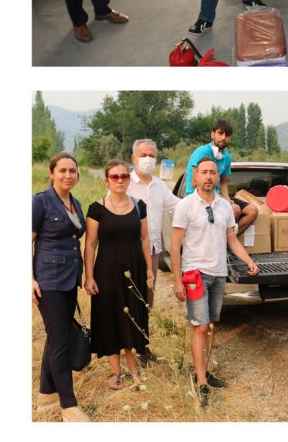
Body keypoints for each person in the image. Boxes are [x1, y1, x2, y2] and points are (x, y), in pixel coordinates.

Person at [171, 158, 260, 407]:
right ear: (196, 176)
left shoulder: (225, 207)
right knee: (200, 327)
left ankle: (204, 371)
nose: (209, 176)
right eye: (204, 172)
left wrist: (248, 261)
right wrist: (177, 280)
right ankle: (201, 383)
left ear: (217, 176)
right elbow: (175, 246)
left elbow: (232, 239)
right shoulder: (185, 206)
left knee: (209, 326)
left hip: (219, 273)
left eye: (213, 172)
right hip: (195, 275)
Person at [32, 153, 91, 422]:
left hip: (69, 278)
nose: (68, 175)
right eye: (62, 170)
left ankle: (46, 394)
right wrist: (29, 279)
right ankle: (69, 406)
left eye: (72, 171)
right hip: (48, 280)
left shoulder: (75, 202)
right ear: (51, 173)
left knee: (57, 335)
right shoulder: (40, 201)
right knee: (60, 341)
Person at [84, 160, 152, 390]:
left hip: (134, 271)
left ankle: (134, 369)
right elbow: (90, 245)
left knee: (132, 317)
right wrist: (89, 276)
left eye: (124, 176)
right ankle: (115, 371)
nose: (120, 180)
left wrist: (149, 268)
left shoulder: (139, 206)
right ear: (107, 181)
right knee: (110, 317)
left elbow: (145, 239)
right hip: (106, 272)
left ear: (129, 179)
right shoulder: (96, 208)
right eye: (115, 177)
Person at [128, 138, 181, 324]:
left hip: (152, 251)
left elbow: (178, 205)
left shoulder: (159, 185)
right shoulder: (124, 182)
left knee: (147, 299)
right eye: (143, 155)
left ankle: (143, 336)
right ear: (134, 158)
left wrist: (202, 202)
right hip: (129, 250)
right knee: (128, 296)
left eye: (152, 156)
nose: (148, 159)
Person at [185, 120, 257, 234]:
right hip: (199, 195)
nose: (223, 138)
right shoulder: (202, 152)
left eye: (227, 135)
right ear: (212, 134)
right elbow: (194, 183)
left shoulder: (227, 157)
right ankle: (221, 241)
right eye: (220, 133)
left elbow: (223, 183)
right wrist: (224, 200)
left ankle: (229, 239)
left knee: (252, 210)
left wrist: (227, 199)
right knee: (235, 210)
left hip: (217, 196)